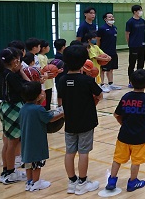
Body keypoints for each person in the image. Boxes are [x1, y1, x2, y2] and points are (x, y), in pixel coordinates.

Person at [56, 44, 103, 195]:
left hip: (70, 122)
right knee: (83, 152)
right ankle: (82, 182)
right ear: (84, 61)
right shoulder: (87, 80)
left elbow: (60, 100)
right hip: (86, 122)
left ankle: (72, 182)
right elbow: (99, 95)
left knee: (70, 152)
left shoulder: (61, 80)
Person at [105, 69, 145, 192]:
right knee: (136, 161)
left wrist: (123, 124)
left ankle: (111, 180)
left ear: (131, 82)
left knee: (117, 159)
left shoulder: (126, 96)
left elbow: (116, 114)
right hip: (140, 136)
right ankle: (132, 182)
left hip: (124, 135)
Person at [19, 81, 64, 192]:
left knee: (28, 163)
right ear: (38, 96)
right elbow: (50, 118)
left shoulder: (23, 108)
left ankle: (29, 182)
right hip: (36, 142)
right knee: (36, 164)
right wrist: (63, 112)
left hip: (25, 142)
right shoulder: (38, 109)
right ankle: (36, 183)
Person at [0, 47, 28, 185]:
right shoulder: (12, 76)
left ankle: (6, 170)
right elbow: (25, 88)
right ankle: (10, 172)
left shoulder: (0, 72)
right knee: (13, 143)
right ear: (15, 62)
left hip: (4, 107)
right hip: (13, 108)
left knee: (8, 142)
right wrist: (21, 72)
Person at [97, 12, 121, 89]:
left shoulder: (115, 28)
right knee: (103, 69)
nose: (112, 18)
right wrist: (99, 51)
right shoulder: (102, 28)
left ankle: (111, 84)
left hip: (113, 52)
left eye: (112, 17)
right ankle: (102, 84)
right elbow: (98, 40)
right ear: (105, 19)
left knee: (111, 69)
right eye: (110, 17)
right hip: (104, 52)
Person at [125, 5, 145, 87]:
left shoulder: (143, 21)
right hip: (133, 45)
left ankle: (140, 80)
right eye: (139, 10)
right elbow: (127, 34)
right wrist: (129, 43)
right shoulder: (130, 22)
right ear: (135, 12)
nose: (141, 12)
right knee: (132, 64)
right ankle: (131, 81)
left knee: (141, 64)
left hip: (142, 45)